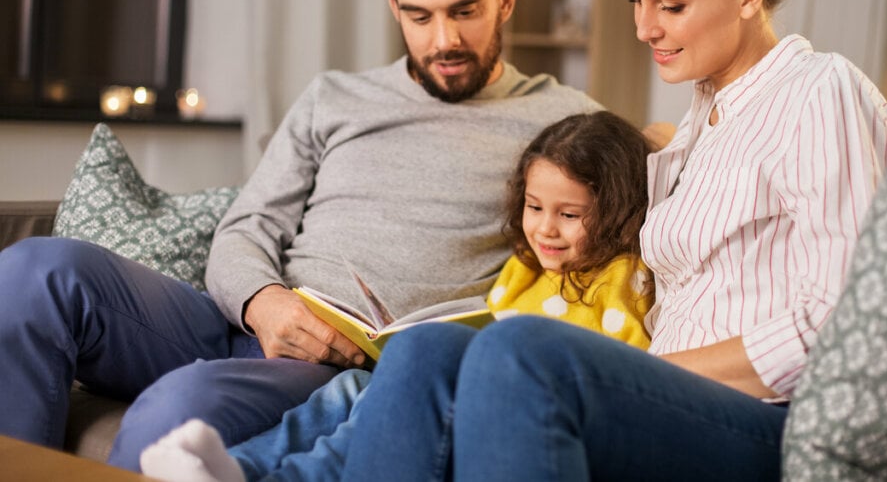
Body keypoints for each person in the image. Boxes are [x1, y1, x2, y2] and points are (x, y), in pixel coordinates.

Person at [197, 0, 887, 482]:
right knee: (425, 353)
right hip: (670, 397)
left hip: (767, 419)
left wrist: (645, 374)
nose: (643, 27)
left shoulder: (818, 91)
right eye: (636, 1)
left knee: (522, 351)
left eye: (671, 5)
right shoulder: (702, 123)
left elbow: (847, 319)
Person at [0, 0, 601, 471]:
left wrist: (654, 140)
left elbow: (635, 190)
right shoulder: (334, 97)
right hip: (248, 318)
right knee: (38, 270)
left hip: (341, 361)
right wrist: (262, 302)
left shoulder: (565, 122)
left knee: (177, 409)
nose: (442, 39)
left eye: (464, 11)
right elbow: (248, 224)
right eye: (420, 16)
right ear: (395, 7)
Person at [139, 110, 655, 481]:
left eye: (569, 215)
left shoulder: (622, 278)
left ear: (615, 211)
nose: (546, 229)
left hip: (497, 402)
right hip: (449, 383)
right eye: (534, 207)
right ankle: (237, 465)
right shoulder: (526, 267)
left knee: (365, 416)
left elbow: (618, 366)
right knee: (341, 396)